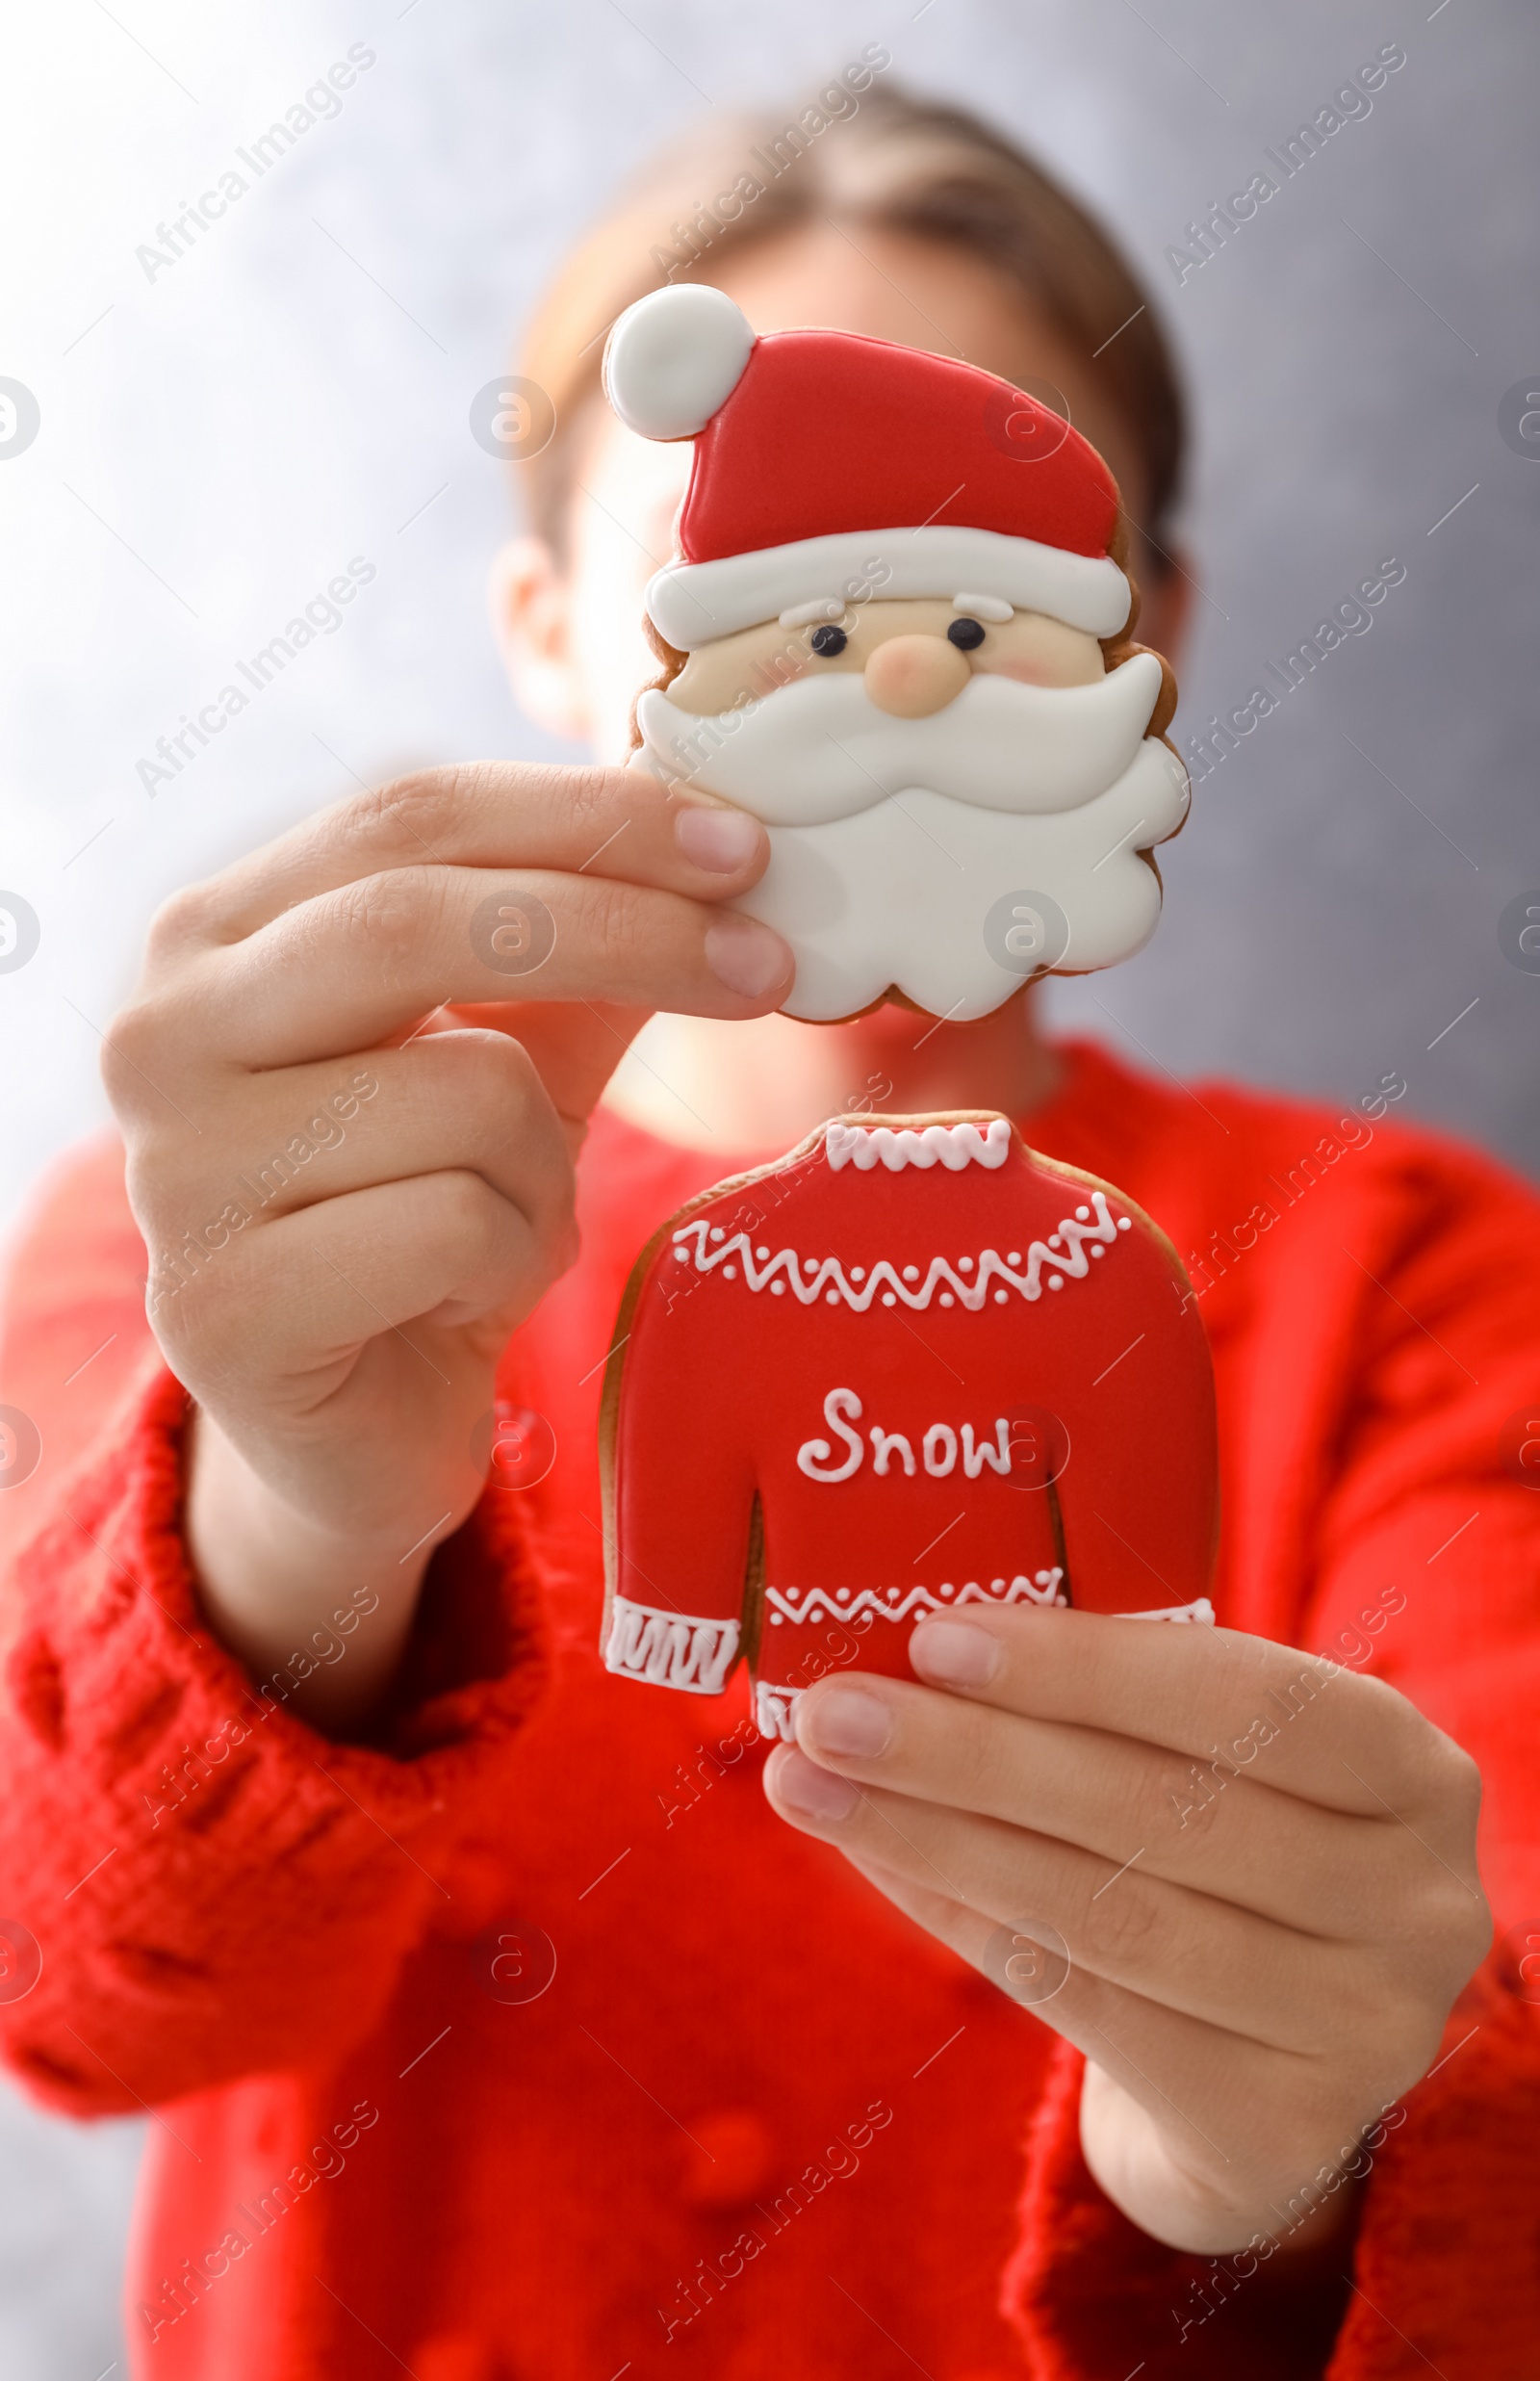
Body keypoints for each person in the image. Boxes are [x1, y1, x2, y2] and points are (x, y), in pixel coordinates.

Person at [1, 85, 1535, 2381]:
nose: (898, 679)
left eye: (983, 589)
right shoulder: (237, 1225)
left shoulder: (1399, 1268)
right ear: (548, 633)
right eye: (784, 586)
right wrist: (296, 1516)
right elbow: (72, 2001)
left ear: (1154, 651)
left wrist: (1282, 2153)